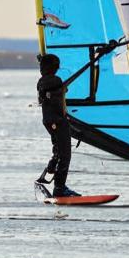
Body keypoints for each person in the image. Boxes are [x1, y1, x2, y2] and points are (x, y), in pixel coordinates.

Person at [37, 54, 79, 198]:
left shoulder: (43, 81)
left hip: (50, 121)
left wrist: (60, 90)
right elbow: (53, 93)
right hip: (57, 121)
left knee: (59, 151)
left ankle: (50, 171)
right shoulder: (53, 80)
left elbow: (51, 93)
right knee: (65, 154)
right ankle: (59, 188)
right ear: (54, 68)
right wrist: (61, 90)